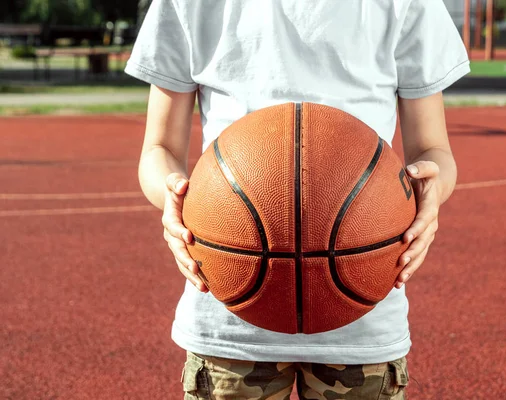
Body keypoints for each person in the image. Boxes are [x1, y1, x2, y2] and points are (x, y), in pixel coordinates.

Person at [125, 0, 469, 398]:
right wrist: (172, 194)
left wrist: (432, 193)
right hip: (228, 303)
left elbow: (433, 151)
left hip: (363, 306)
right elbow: (159, 148)